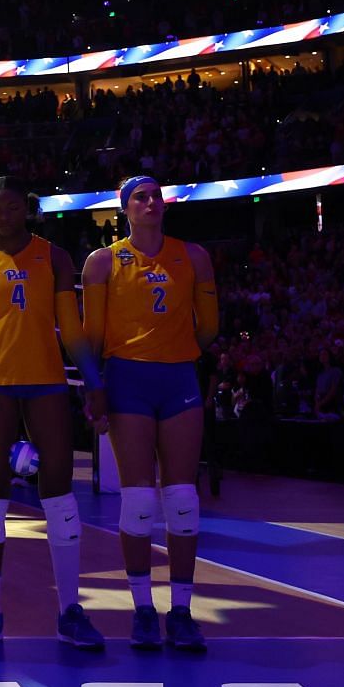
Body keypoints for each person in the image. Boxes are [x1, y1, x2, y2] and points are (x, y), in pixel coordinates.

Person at [0, 175, 107, 649]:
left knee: (58, 490)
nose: (4, 215)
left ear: (26, 209)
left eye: (13, 207)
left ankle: (70, 610)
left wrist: (94, 385)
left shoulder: (53, 257)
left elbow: (72, 331)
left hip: (48, 383)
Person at [83, 175, 219, 653]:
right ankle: (143, 609)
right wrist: (97, 386)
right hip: (128, 381)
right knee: (138, 500)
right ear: (124, 208)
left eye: (156, 196)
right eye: (140, 197)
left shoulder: (194, 256)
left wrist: (177, 354)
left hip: (179, 378)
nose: (151, 202)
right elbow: (92, 337)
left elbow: (210, 329)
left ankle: (180, 611)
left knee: (183, 497)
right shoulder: (103, 262)